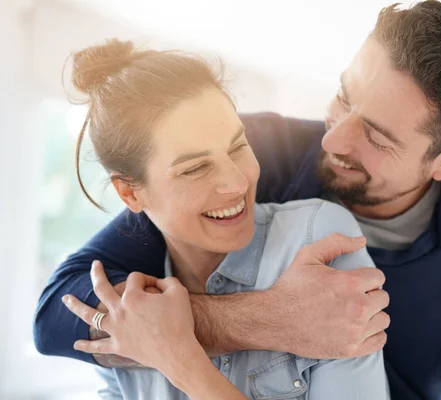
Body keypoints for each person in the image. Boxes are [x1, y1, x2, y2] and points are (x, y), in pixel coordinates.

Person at [34, 1, 441, 399]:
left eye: (376, 136)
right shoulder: (248, 153)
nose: (332, 141)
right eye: (344, 96)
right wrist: (264, 319)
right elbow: (59, 313)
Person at [50, 39, 390, 399]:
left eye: (237, 146)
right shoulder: (126, 308)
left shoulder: (315, 238)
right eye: (195, 168)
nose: (238, 182)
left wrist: (180, 359)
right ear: (130, 194)